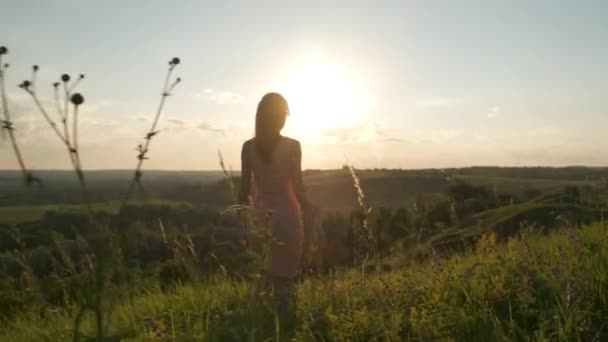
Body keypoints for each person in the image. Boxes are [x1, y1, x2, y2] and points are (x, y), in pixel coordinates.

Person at [238, 92, 308, 314]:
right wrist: (311, 210)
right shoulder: (293, 146)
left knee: (263, 276)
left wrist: (243, 221)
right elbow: (298, 187)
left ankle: (260, 323)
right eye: (284, 113)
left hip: (260, 218)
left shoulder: (248, 147)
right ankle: (284, 325)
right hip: (288, 217)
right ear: (279, 116)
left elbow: (243, 191)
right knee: (285, 280)